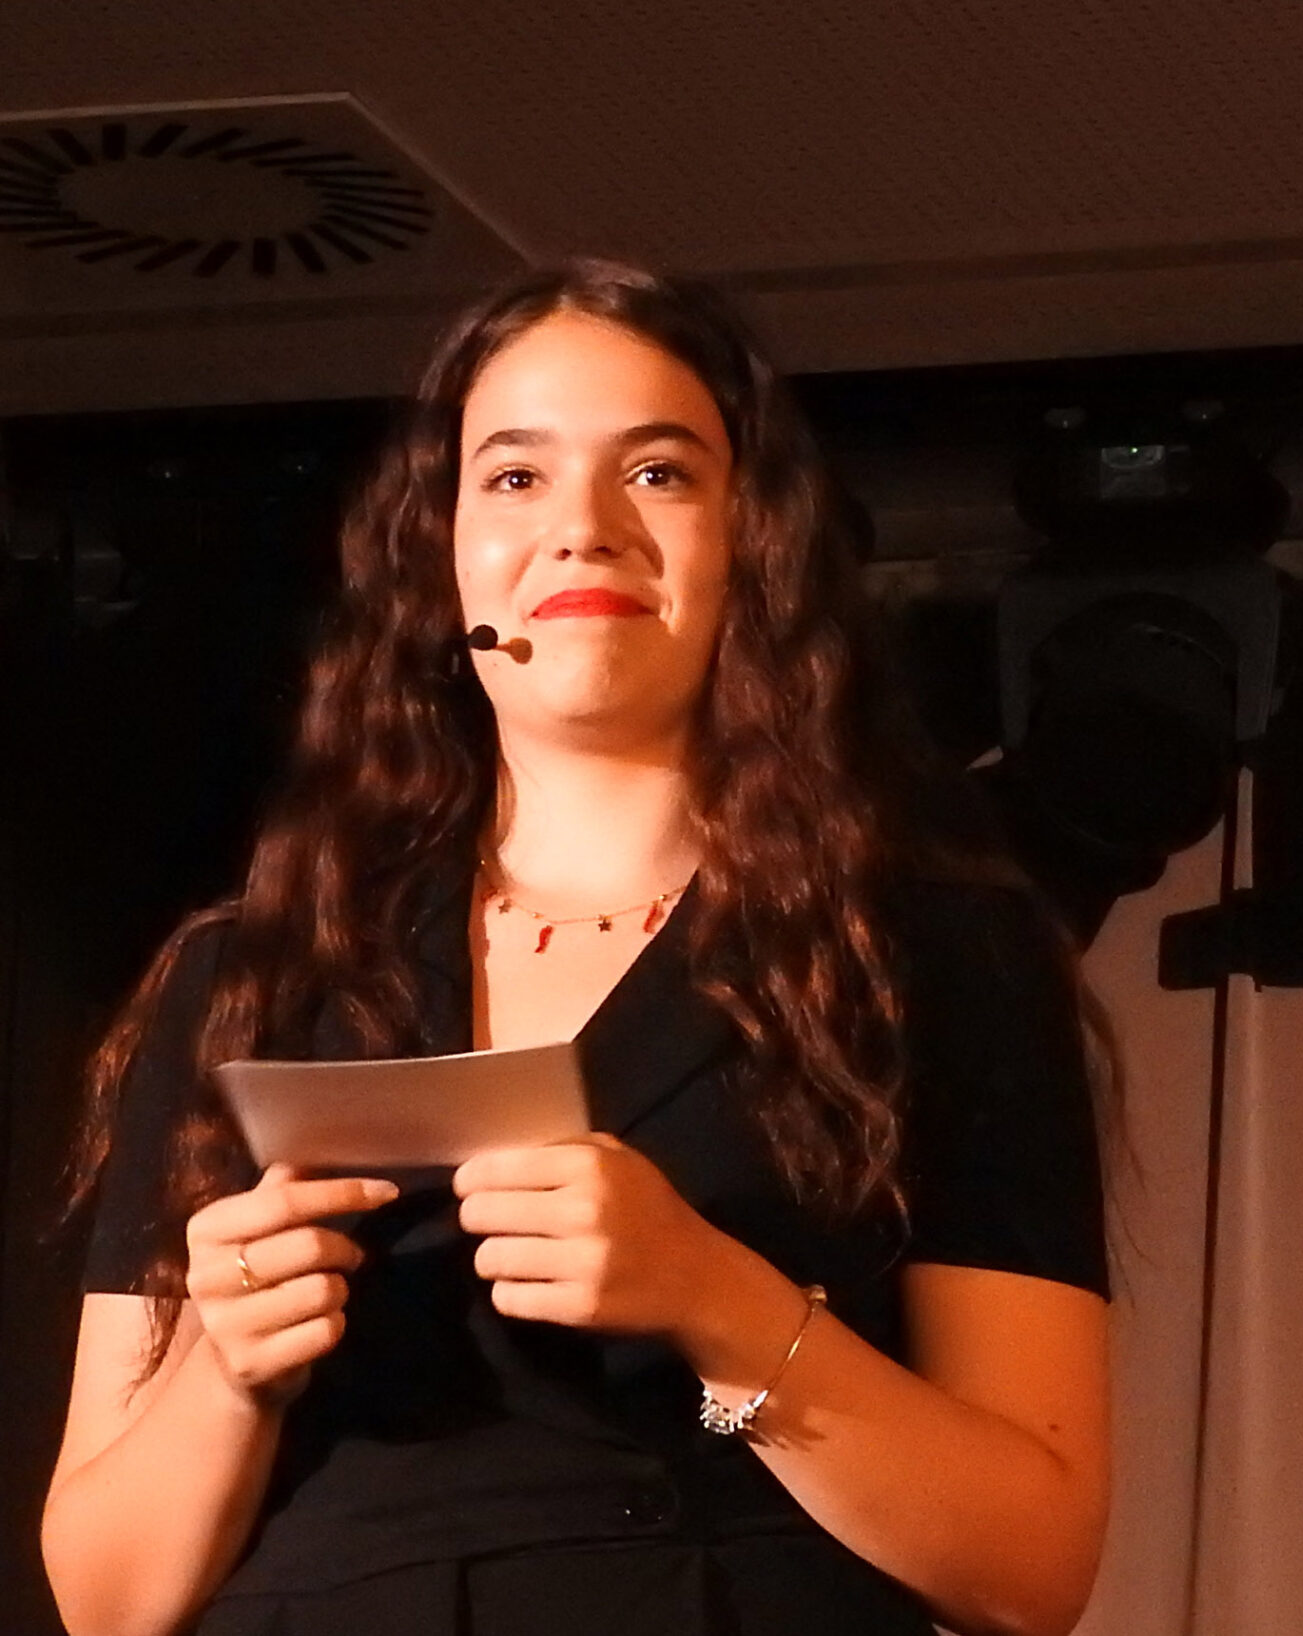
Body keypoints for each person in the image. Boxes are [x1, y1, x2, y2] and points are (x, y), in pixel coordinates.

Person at [42, 260, 1113, 1636]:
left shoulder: (933, 953)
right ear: (440, 559)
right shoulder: (253, 974)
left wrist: (721, 1305)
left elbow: (1033, 1565)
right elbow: (105, 1601)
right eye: (515, 477)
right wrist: (225, 1374)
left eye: (658, 474)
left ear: (753, 543)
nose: (584, 531)